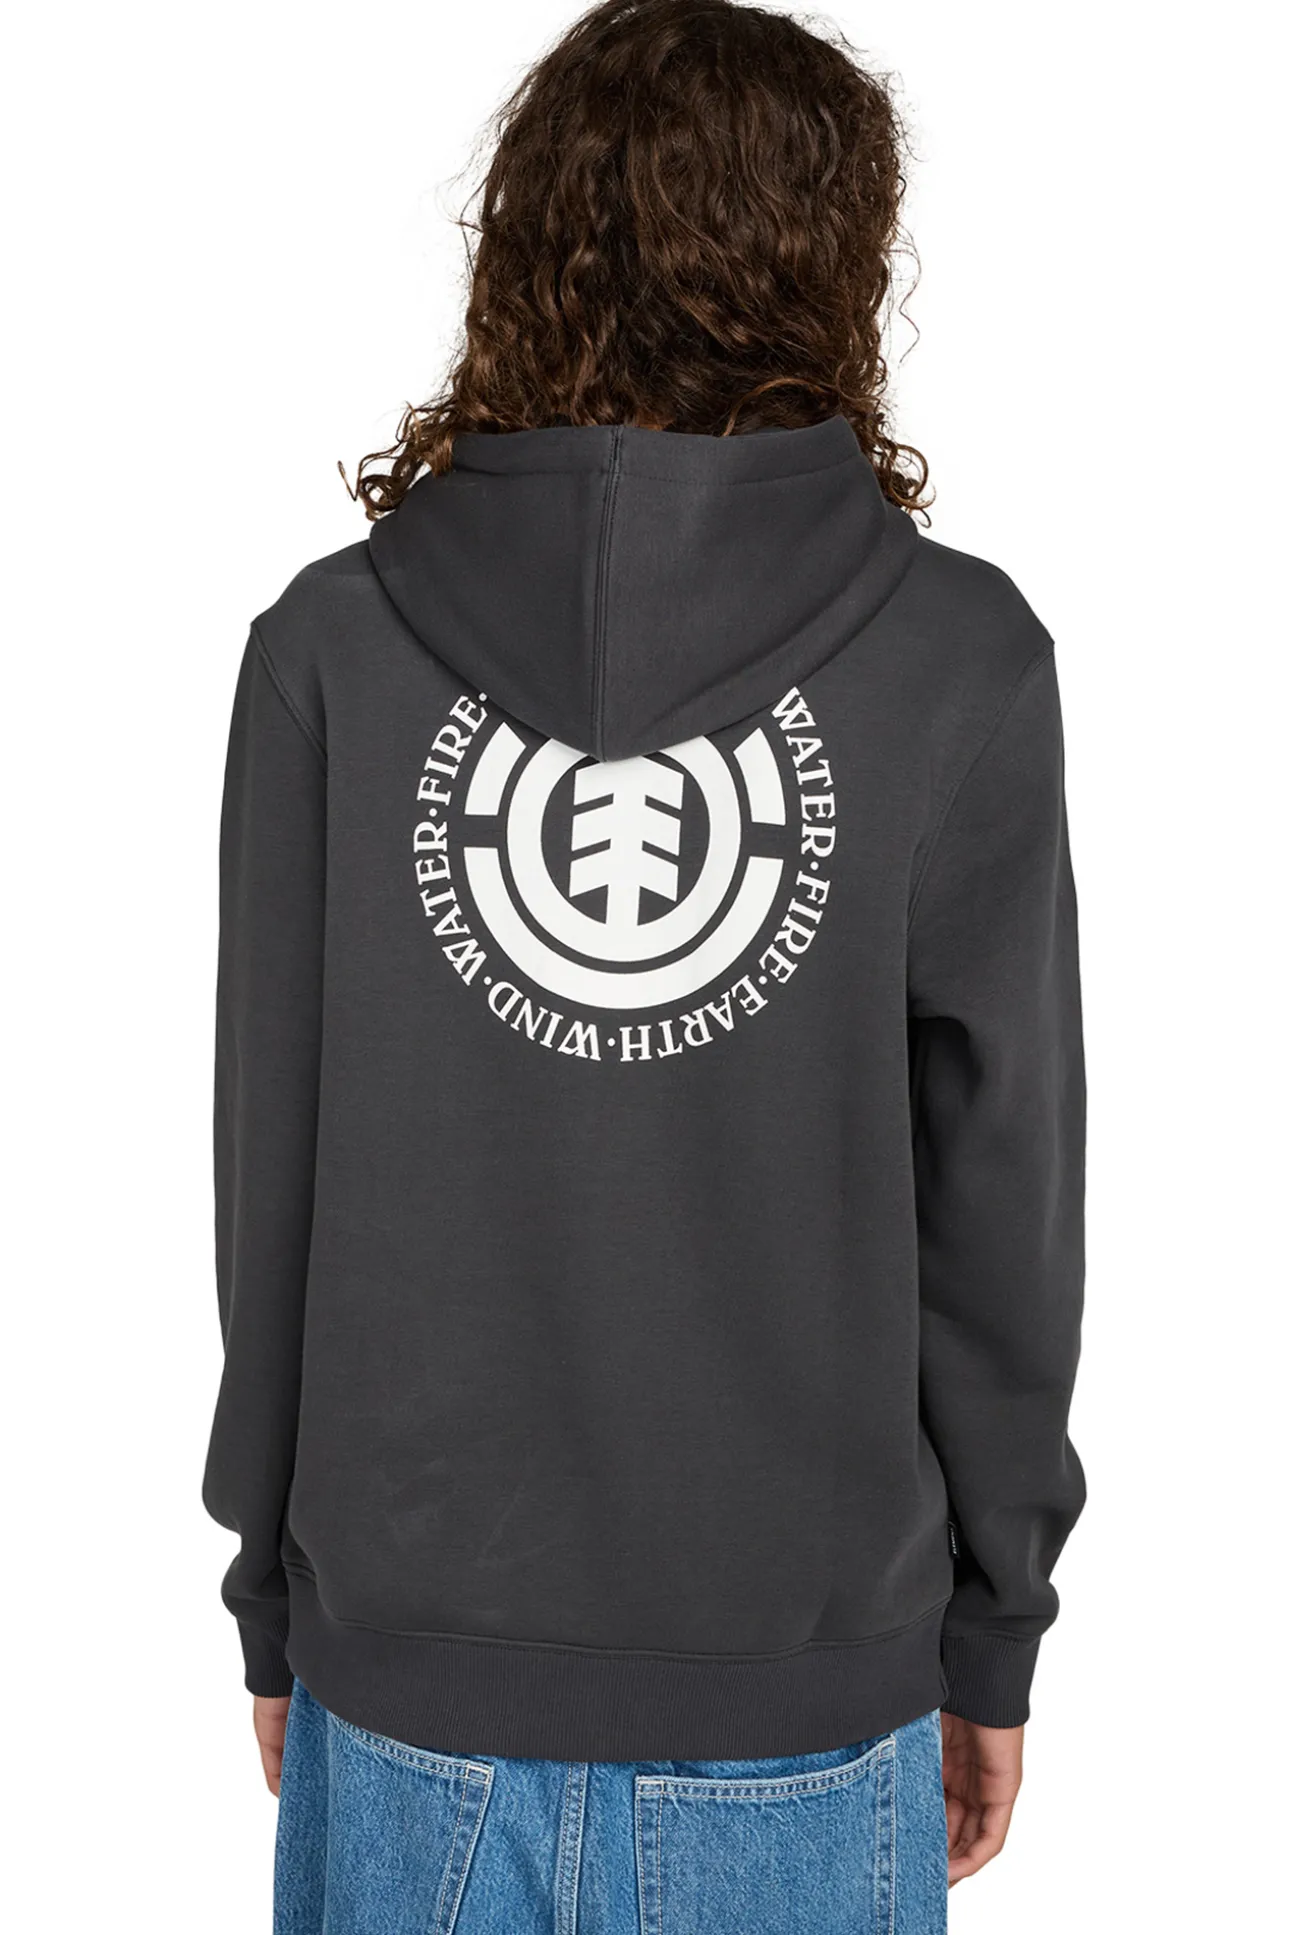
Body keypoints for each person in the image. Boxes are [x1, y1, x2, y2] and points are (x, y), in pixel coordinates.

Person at [204, 2, 1085, 1928]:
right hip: (805, 1685)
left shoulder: (333, 650)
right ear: (833, 259)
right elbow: (1001, 1198)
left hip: (409, 1682)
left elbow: (267, 1171)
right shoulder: (950, 660)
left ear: (525, 246)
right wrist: (994, 1623)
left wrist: (272, 1592)